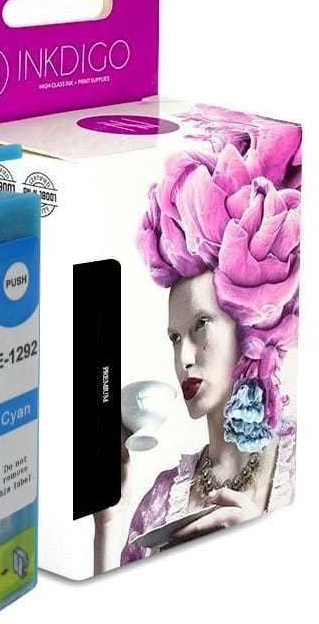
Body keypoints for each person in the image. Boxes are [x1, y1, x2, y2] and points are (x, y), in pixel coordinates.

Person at [94, 106, 301, 574]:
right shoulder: (161, 499)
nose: (183, 357)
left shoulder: (301, 463)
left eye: (201, 326)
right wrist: (108, 521)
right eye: (173, 337)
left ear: (249, 330)